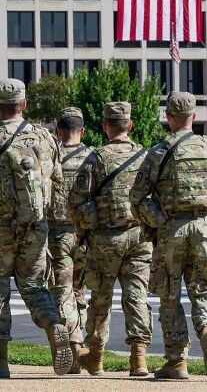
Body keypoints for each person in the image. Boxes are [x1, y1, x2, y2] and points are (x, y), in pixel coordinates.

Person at [0, 78, 73, 378]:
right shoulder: (46, 138)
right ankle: (53, 325)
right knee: (34, 286)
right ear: (24, 104)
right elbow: (58, 181)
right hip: (36, 227)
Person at [130, 92, 207, 380]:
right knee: (203, 288)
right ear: (194, 116)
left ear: (168, 118)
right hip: (203, 229)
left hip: (171, 229)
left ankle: (177, 361)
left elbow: (137, 197)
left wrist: (158, 220)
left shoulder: (159, 152)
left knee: (169, 294)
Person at [70, 102, 152, 377]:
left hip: (106, 238)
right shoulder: (145, 156)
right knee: (137, 295)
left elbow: (78, 200)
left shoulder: (96, 158)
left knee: (100, 299)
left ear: (105, 126)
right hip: (139, 236)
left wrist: (88, 227)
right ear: (129, 125)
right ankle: (138, 358)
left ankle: (95, 356)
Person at [47, 107, 93, 373]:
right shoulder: (93, 157)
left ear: (58, 131)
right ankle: (78, 347)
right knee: (79, 292)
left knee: (62, 291)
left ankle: (74, 340)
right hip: (86, 235)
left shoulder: (50, 158)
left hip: (58, 234)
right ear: (82, 131)